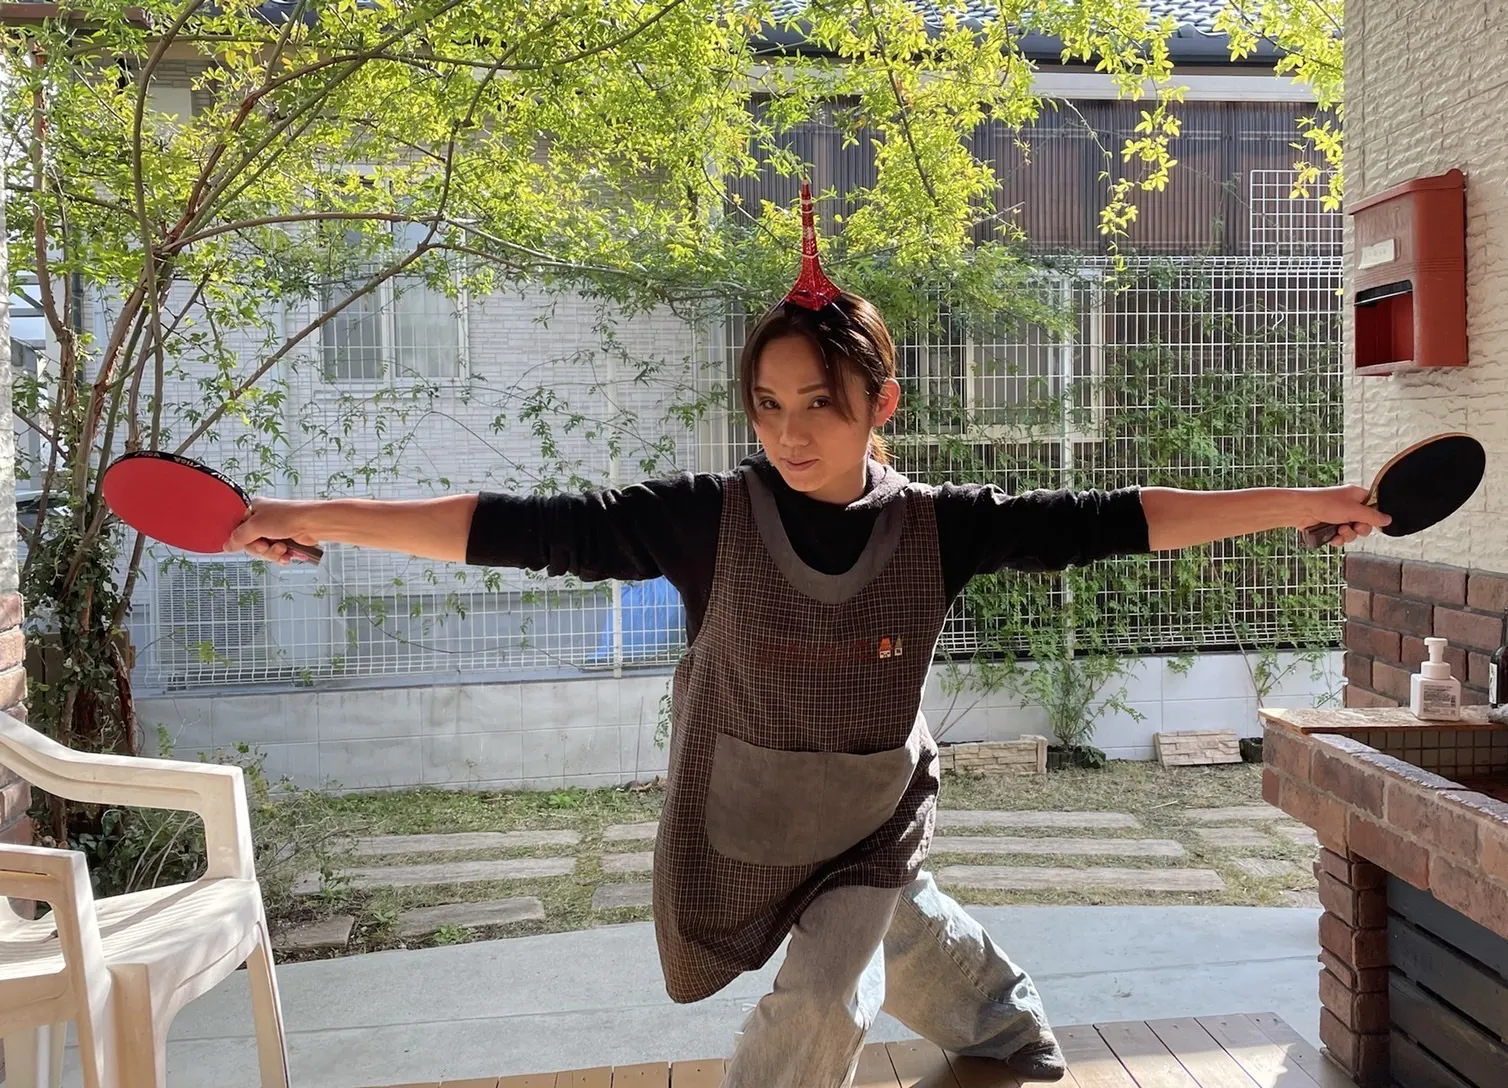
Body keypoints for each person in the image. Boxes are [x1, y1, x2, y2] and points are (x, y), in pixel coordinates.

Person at [228, 185, 1386, 1087]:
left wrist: (1300, 502)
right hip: (743, 817)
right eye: (768, 404)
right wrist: (304, 515)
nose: (788, 431)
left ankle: (980, 1024)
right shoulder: (705, 518)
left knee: (826, 991)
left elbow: (1115, 518)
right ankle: (1004, 1020)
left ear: (881, 402)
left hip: (871, 816)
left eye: (819, 404)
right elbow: (521, 528)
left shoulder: (937, 527)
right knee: (910, 937)